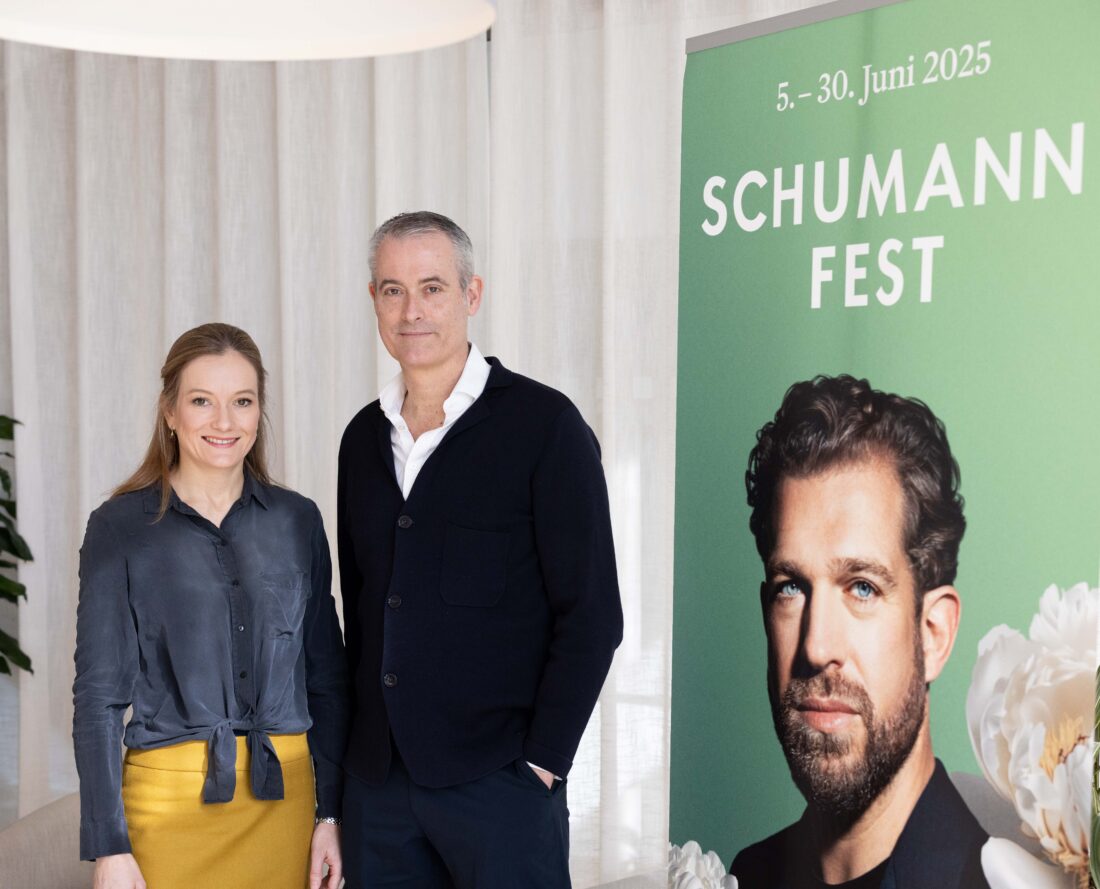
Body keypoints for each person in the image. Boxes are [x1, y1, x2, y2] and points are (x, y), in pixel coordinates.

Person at [337, 211, 623, 889]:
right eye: (392, 289)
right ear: (373, 300)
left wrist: (542, 763)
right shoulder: (361, 440)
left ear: (472, 295)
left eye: (432, 287)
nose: (412, 311)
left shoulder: (545, 427)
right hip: (380, 792)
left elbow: (592, 616)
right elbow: (361, 613)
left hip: (502, 787)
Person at [72, 323, 348, 889]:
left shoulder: (299, 521)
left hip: (286, 809)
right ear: (170, 412)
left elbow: (327, 680)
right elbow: (99, 698)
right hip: (167, 812)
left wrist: (332, 814)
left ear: (258, 412)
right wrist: (110, 848)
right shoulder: (121, 528)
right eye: (203, 401)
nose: (225, 422)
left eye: (242, 401)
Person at [730, 375, 990, 889]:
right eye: (791, 588)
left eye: (863, 588)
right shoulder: (746, 876)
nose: (815, 646)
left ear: (933, 633)